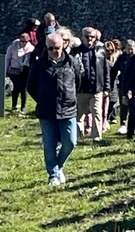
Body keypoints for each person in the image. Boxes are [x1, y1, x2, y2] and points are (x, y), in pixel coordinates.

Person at [26, 32, 82, 186]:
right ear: (46, 48)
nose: (54, 51)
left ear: (63, 45)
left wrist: (70, 97)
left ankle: (59, 165)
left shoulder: (73, 63)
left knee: (70, 142)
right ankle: (53, 175)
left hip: (68, 110)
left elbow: (78, 82)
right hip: (47, 111)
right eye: (50, 49)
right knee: (49, 145)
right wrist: (42, 99)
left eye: (56, 48)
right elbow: (31, 86)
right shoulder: (38, 65)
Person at [73, 26, 110, 141]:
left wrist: (107, 88)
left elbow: (106, 71)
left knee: (97, 114)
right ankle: (78, 136)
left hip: (97, 89)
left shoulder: (100, 52)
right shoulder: (76, 52)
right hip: (81, 90)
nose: (89, 39)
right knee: (79, 115)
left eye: (92, 36)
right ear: (82, 37)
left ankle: (96, 137)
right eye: (87, 36)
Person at [5, 32, 33, 114]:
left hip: (25, 70)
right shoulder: (12, 48)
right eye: (22, 41)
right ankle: (14, 105)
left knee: (23, 88)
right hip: (14, 70)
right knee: (17, 86)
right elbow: (7, 59)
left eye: (25, 42)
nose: (23, 43)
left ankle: (23, 107)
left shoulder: (31, 48)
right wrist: (6, 71)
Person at [114, 39, 135, 135]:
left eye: (132, 48)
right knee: (124, 104)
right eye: (128, 48)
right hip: (124, 83)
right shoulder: (122, 58)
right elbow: (115, 69)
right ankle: (123, 124)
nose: (130, 50)